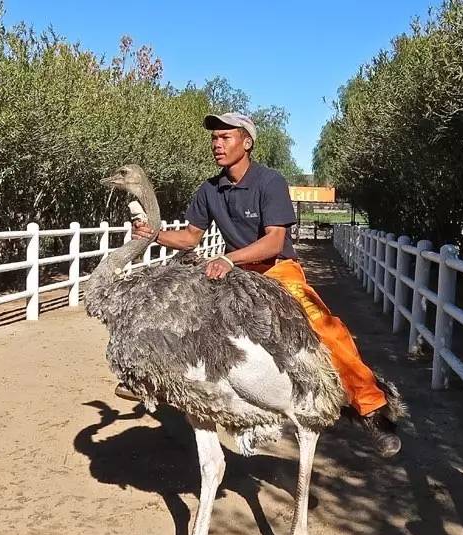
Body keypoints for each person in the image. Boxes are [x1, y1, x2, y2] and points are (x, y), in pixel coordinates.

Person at [126, 112, 401, 457]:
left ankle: (372, 409)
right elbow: (191, 238)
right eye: (214, 139)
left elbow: (274, 242)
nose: (217, 144)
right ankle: (149, 378)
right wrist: (155, 235)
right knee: (176, 304)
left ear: (247, 142)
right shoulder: (209, 190)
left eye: (225, 137)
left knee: (326, 327)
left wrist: (228, 259)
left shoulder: (269, 182)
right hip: (235, 274)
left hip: (275, 270)